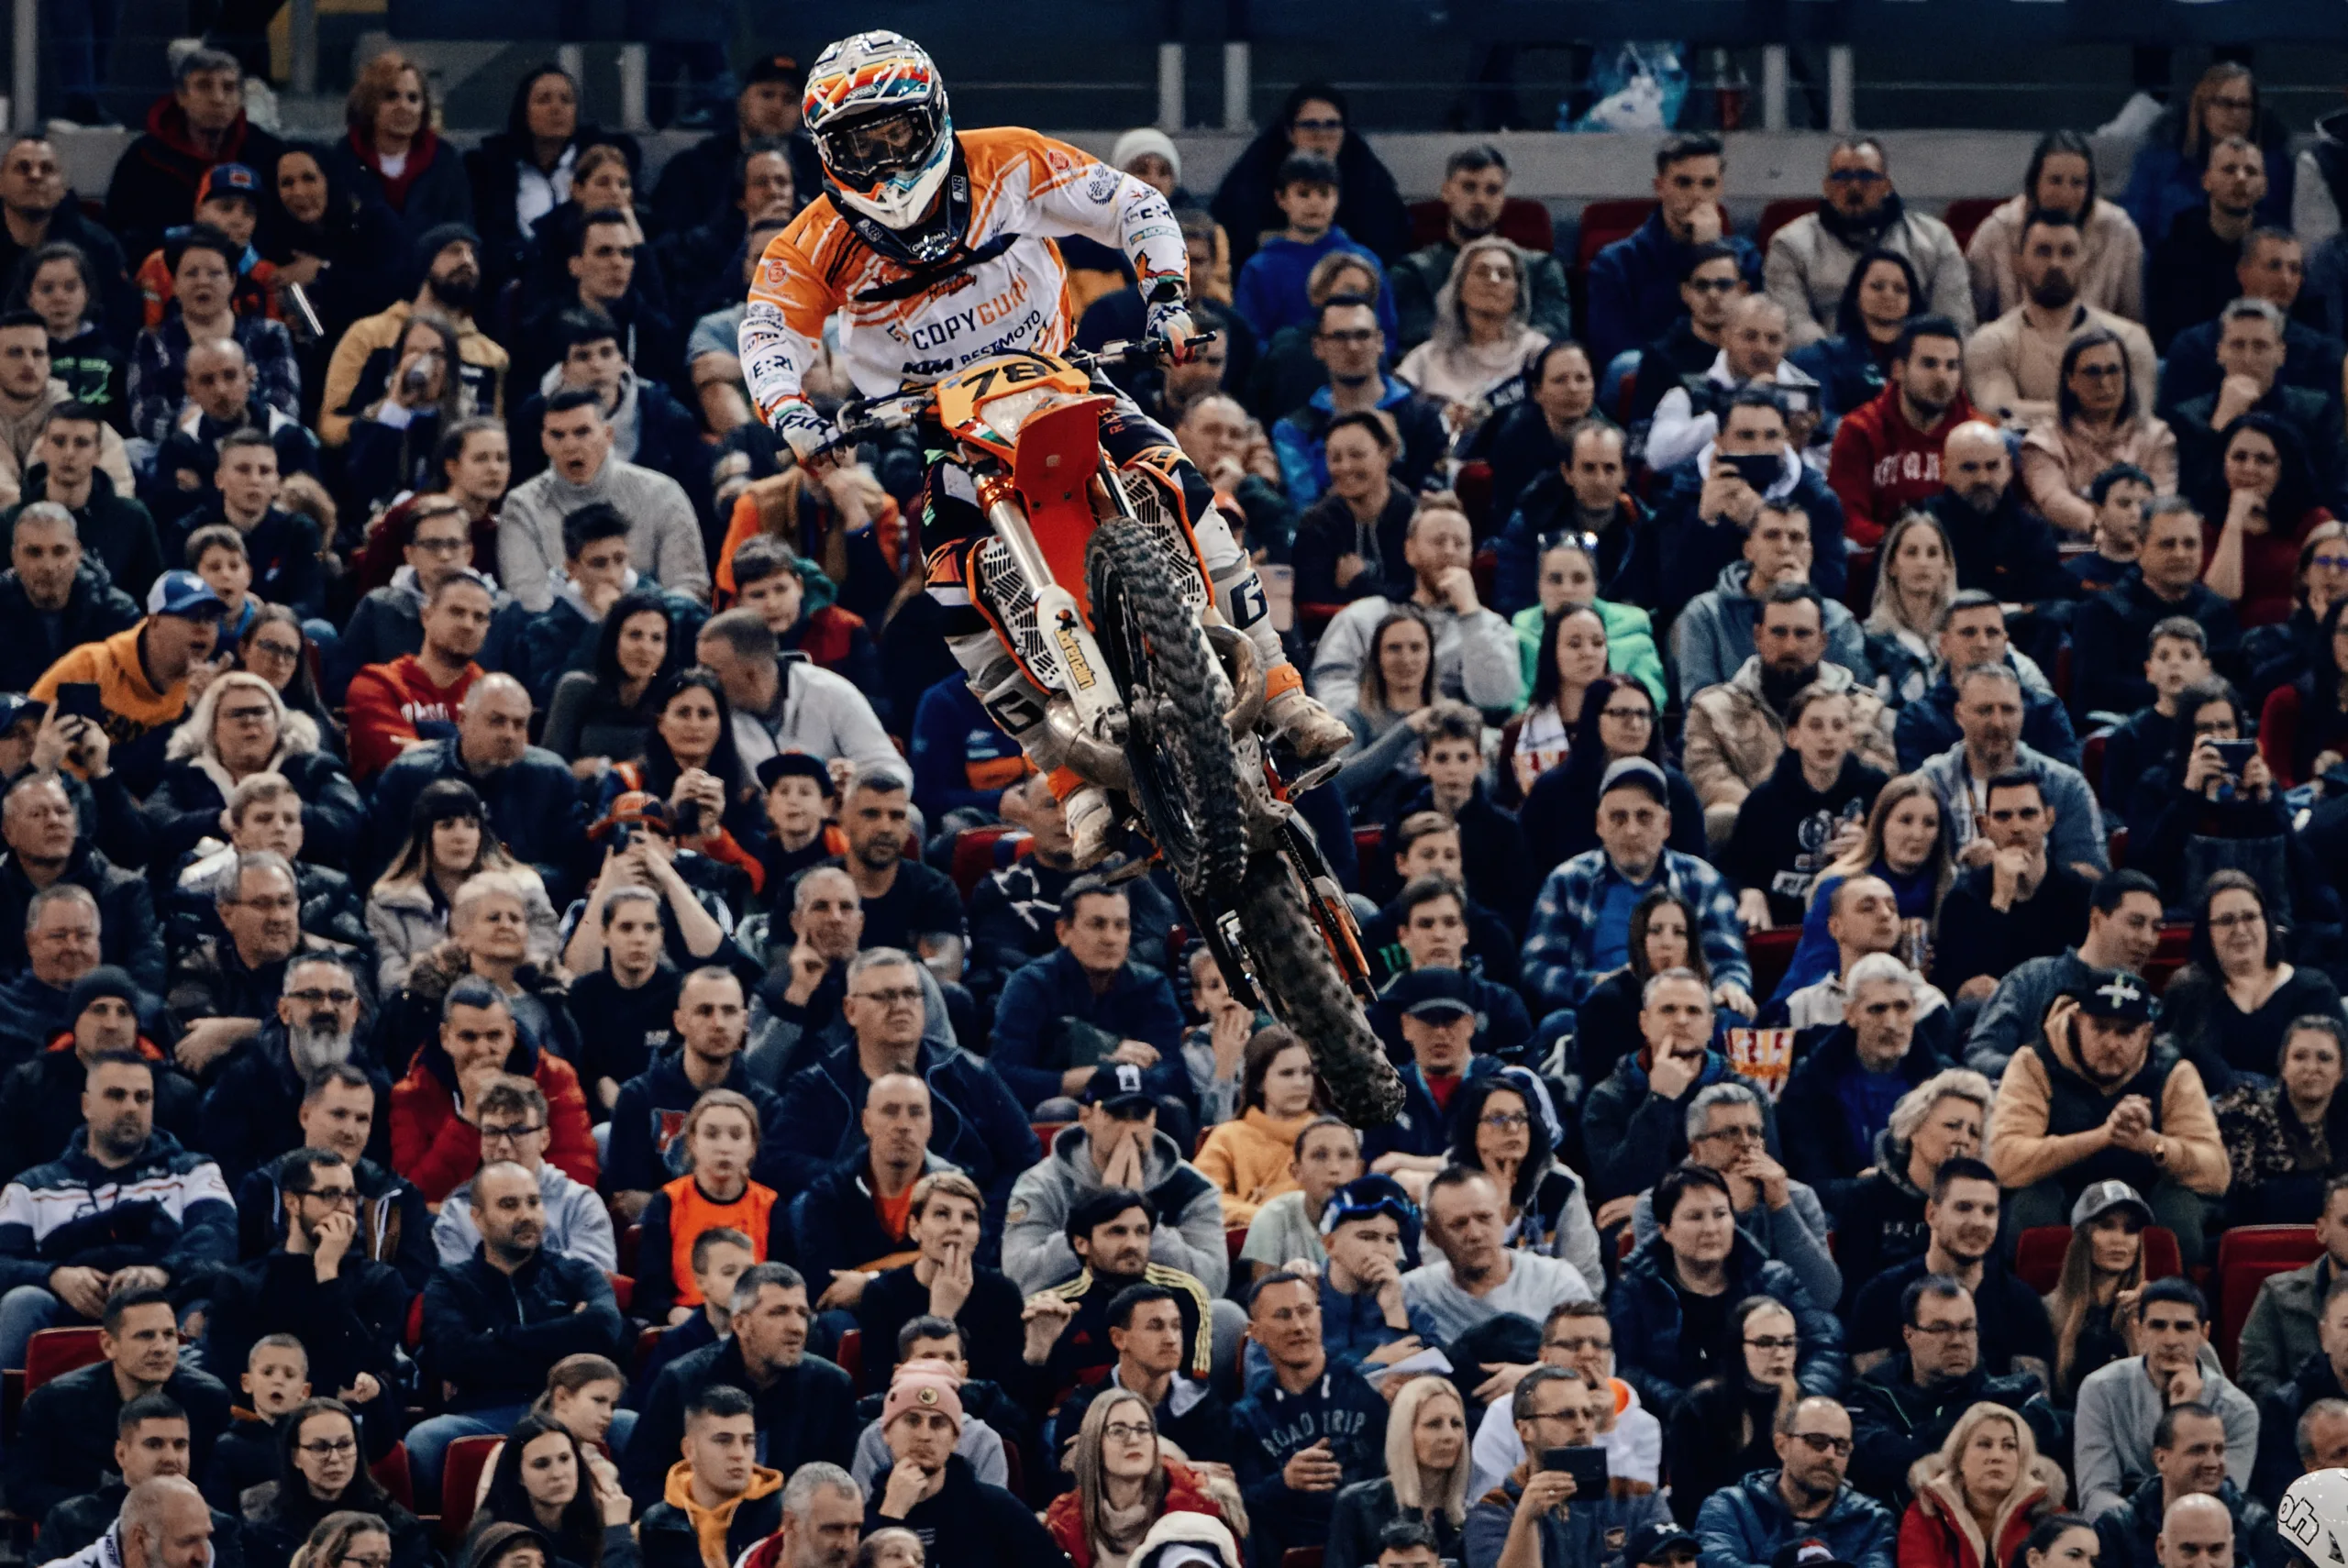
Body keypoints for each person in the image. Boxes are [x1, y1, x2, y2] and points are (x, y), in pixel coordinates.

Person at [0, 1052, 233, 1371]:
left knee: (205, 1308)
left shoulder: (194, 1171)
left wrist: (161, 1273)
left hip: (165, 1304)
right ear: (86, 1105)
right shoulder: (32, 1186)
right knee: (22, 1301)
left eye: (142, 1097)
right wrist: (54, 1276)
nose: (131, 1107)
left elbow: (220, 1239)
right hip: (65, 1311)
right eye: (116, 1095)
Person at [1520, 761, 1753, 1021]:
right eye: (1618, 818)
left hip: (1681, 1013)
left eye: (1644, 817)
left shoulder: (1702, 881)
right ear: (1599, 824)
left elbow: (1728, 961)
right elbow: (1537, 968)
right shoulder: (1567, 881)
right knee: (1558, 1023)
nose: (1632, 830)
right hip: (1599, 1013)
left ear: (1666, 825)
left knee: (1733, 1019)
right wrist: (1596, 984)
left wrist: (1730, 987)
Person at [202, 1145, 406, 1440]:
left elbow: (363, 1372)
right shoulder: (243, 1283)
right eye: (329, 1194)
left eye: (350, 1195)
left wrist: (327, 1273)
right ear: (292, 1202)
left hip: (345, 1434)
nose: (344, 1208)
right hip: (258, 1433)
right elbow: (229, 1372)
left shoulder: (380, 1281)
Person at [1609, 1164, 1842, 1418]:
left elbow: (1824, 1349)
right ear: (1665, 1230)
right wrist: (1688, 1408)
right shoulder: (1635, 1290)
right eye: (1695, 1217)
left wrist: (1798, 1400)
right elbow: (1628, 1370)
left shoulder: (1775, 1281)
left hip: (1772, 1420)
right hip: (1674, 1424)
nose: (1711, 1229)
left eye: (1720, 1214)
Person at [627, 1263, 857, 1509]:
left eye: (802, 1313)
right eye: (778, 1312)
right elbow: (644, 1483)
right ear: (740, 1324)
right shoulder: (682, 1382)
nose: (796, 1327)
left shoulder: (832, 1386)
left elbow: (841, 1488)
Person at [1683, 585, 1895, 848]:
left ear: (1822, 641)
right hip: (1757, 843)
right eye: (1779, 632)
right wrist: (1786, 822)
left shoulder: (1865, 710)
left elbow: (1881, 786)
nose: (1790, 646)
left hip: (1846, 843)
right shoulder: (1713, 711)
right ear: (1758, 636)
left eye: (1803, 634)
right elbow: (1711, 784)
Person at [1623, 387, 1850, 619]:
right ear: (1719, 440)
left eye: (1771, 436)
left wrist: (1761, 524)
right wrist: (1703, 524)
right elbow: (1667, 593)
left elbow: (1833, 591)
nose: (1759, 447)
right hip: (1708, 622)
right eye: (1746, 436)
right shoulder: (1686, 491)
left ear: (1786, 438)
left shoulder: (1816, 498)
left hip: (1789, 622)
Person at [1003, 1063, 1228, 1297]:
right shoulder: (1042, 1183)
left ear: (1154, 1118)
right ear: (1086, 1117)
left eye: (1140, 1115)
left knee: (1225, 1312)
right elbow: (1020, 1275)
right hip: (1070, 1309)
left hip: (1163, 1307)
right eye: (1118, 1115)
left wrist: (1144, 1222)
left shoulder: (1192, 1186)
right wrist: (1098, 1213)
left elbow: (1213, 1283)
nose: (1130, 1129)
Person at [6, 1287, 230, 1519]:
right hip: (87, 1529)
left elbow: (221, 1487)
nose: (161, 1348)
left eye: (169, 1335)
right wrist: (113, 1515)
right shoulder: (53, 1403)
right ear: (109, 1344)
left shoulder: (210, 1399)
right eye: (145, 1336)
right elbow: (23, 1489)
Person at [1846, 1271, 2060, 1507]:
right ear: (1909, 1334)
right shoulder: (1873, 1394)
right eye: (1940, 1328)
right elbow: (1866, 1455)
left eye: (1967, 1327)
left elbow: (2048, 1428)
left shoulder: (2018, 1393)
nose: (1957, 1341)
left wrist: (1920, 1441)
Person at [991, 879, 1187, 1125]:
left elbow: (1174, 1074)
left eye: (1121, 926)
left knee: (1171, 1109)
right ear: (1063, 932)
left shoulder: (1152, 986)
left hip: (1136, 1106)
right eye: (1097, 924)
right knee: (1058, 1110)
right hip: (1062, 1108)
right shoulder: (1030, 984)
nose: (1110, 938)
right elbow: (1005, 1076)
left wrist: (1115, 1078)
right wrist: (1102, 1069)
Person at [1629, 1082, 1841, 1308]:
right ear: (1696, 1150)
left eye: (1753, 1132)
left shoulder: (1796, 1197)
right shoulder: (1656, 1204)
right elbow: (1659, 1298)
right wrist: (1731, 1212)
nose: (1746, 1143)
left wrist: (1781, 1207)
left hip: (1784, 1322)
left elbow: (1824, 1296)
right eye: (1730, 1133)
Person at [1229, 1270, 1389, 1564]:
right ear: (1256, 1333)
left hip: (1372, 1545)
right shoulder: (1249, 1416)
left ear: (1320, 1317)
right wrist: (1285, 1481)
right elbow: (1241, 1500)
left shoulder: (1367, 1390)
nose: (1298, 1326)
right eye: (1283, 1315)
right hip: (1292, 1549)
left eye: (1304, 1311)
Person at [1846, 1157, 2054, 1385]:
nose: (1978, 1222)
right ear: (1931, 1214)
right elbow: (1872, 1396)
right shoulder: (1880, 1296)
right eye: (1964, 1208)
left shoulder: (2021, 1303)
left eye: (1989, 1211)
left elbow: (2034, 1398)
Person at [604, 968, 788, 1219]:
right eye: (704, 1011)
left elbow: (763, 1204)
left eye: (729, 1011)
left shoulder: (766, 1107)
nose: (719, 1023)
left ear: (744, 1021)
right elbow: (630, 1203)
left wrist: (663, 1202)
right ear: (679, 1021)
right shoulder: (637, 1097)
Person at [2074, 1279, 2259, 1517]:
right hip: (2122, 1528)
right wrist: (2140, 1529)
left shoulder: (2238, 1410)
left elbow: (2221, 1504)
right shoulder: (2100, 1390)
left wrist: (2186, 1414)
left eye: (2183, 1327)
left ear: (2204, 1334)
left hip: (2199, 1529)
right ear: (2139, 1331)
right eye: (2158, 1326)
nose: (2170, 1340)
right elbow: (2096, 1495)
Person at [1766, 139, 1972, 350]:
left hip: (1916, 361)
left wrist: (1910, 361)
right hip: (1827, 362)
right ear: (1826, 187)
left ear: (1886, 185)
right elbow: (1794, 325)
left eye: (1866, 176)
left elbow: (1954, 321)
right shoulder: (1790, 244)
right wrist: (1836, 360)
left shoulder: (1935, 239)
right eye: (1842, 177)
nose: (1854, 187)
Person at [1582, 971, 1769, 1204]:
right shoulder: (1607, 1098)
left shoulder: (1747, 1093)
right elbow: (1617, 1189)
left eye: (1693, 1011)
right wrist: (1659, 1100)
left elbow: (1761, 1182)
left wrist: (1648, 1206)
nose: (1681, 1020)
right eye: (1668, 1010)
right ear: (1644, 1023)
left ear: (1711, 1025)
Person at [1583, 133, 1763, 370]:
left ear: (1720, 187)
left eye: (1708, 183)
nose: (1697, 195)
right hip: (1652, 373)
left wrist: (1708, 251)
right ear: (1660, 187)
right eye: (1684, 183)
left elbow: (1753, 335)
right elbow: (1612, 348)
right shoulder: (1616, 262)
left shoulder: (1746, 257)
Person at [1462, 1366, 1670, 1568]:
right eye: (1565, 1415)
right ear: (1524, 1429)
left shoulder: (1639, 1498)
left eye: (1588, 1414)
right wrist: (1526, 1520)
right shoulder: (1495, 1510)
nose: (1581, 1425)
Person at [1964, 211, 2158, 426]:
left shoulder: (2129, 339)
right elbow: (1999, 414)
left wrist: (2031, 411)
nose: (2055, 263)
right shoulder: (1990, 342)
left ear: (2084, 262)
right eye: (2043, 251)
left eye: (2067, 252)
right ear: (2018, 262)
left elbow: (2136, 419)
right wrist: (2097, 410)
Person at [2160, 871, 2341, 1093]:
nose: (2240, 930)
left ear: (2266, 922)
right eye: (2226, 920)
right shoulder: (2187, 992)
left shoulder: (2315, 991)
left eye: (2250, 917)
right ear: (2207, 933)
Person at [1673, 502, 1867, 703]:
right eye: (1772, 536)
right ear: (1748, 549)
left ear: (1809, 552)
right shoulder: (1705, 613)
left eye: (1796, 537)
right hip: (1734, 722)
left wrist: (1804, 605)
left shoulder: (1837, 619)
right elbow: (1699, 701)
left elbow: (1853, 695)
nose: (1785, 548)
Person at [1391, 145, 1572, 351]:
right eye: (1469, 187)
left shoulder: (1541, 268)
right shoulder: (1412, 271)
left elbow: (1553, 338)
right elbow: (1415, 343)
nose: (1480, 200)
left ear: (1503, 198)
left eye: (1492, 190)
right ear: (1446, 191)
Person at [1689, 1397, 1898, 1568]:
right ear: (1782, 1446)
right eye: (1817, 1441)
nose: (1830, 1455)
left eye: (1841, 1446)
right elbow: (1716, 1563)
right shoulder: (1730, 1507)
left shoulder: (1872, 1520)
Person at [41, 1396, 244, 1568]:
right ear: (121, 1454)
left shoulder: (220, 1528)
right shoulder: (70, 1521)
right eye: (154, 1444)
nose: (171, 1458)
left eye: (180, 1445)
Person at [1046, 1386, 1231, 1568]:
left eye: (1142, 1429)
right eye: (1118, 1431)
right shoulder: (1064, 1525)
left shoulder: (1194, 1513)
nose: (1134, 1440)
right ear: (1094, 1444)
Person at [1968, 131, 2144, 322]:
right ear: (2035, 183)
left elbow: (2133, 320)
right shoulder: (1995, 233)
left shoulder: (2120, 232)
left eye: (2077, 183)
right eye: (2055, 181)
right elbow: (1974, 319)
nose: (2065, 194)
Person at [238, 1399, 431, 1568]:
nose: (335, 1458)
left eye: (344, 1444)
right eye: (319, 1447)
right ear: (295, 1456)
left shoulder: (396, 1524)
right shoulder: (260, 1522)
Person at [2021, 332, 2179, 537]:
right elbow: (2052, 499)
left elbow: (2161, 500)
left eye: (2113, 370)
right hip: (2070, 546)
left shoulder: (2158, 437)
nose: (2104, 382)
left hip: (2143, 542)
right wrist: (2102, 529)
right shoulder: (2043, 440)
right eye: (2092, 372)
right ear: (2070, 380)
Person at [2089, 1405, 2280, 1568]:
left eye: (2219, 1450)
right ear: (2161, 1459)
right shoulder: (2117, 1528)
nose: (2212, 1462)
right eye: (2198, 1450)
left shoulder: (2255, 1524)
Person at [1896, 1401, 2066, 1568]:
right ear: (1959, 1457)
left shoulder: (2050, 1513)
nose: (1996, 1456)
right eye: (1984, 1444)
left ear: (2023, 1459)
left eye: (2009, 1446)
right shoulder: (1927, 1511)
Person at [2216, 1021, 2348, 1231]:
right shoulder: (2247, 1110)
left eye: (2324, 1058)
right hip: (2258, 1236)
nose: (2311, 1068)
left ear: (2341, 1071)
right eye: (2299, 1057)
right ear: (2283, 1066)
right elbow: (2240, 1197)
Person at [1327, 1375, 1469, 1568]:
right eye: (1434, 1424)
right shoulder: (1357, 1506)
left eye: (1456, 1424)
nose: (1449, 1436)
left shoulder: (1470, 1515)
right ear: (1405, 1431)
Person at [2147, 143, 2276, 354]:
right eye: (2229, 169)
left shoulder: (2278, 253)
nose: (2241, 178)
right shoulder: (2173, 250)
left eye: (2251, 171)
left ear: (2264, 186)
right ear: (2206, 180)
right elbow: (2161, 332)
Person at [2046, 1183, 2155, 1407]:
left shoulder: (2156, 1312)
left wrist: (2138, 1335)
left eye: (2130, 1230)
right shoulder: (2047, 1311)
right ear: (2083, 1237)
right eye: (2106, 1226)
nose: (2119, 1239)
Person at [1789, 248, 1923, 419]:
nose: (1889, 295)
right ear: (1856, 295)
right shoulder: (1818, 357)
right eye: (1877, 287)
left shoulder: (1929, 361)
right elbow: (1814, 419)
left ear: (1912, 301)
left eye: (1900, 289)